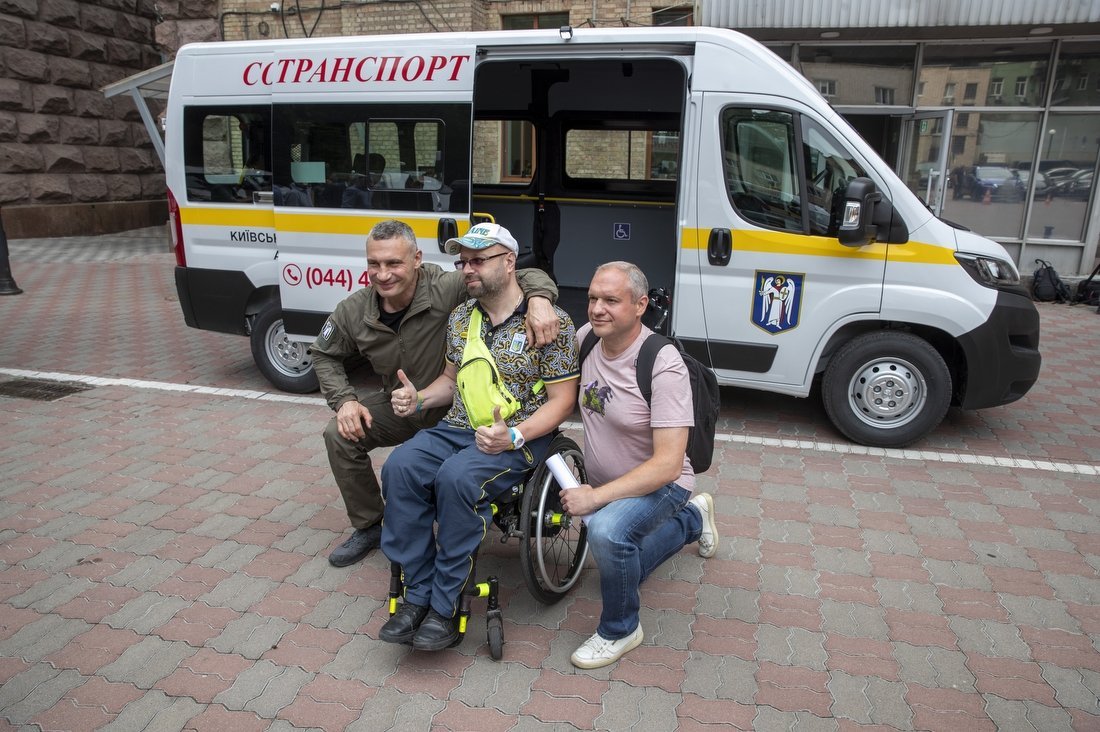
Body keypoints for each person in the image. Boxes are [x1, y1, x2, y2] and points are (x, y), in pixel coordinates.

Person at [310, 220, 561, 567]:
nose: (383, 274)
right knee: (339, 434)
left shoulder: (447, 286)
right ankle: (370, 526)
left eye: (393, 263)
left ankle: (447, 524)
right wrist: (345, 401)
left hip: (455, 407)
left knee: (450, 470)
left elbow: (515, 274)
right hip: (405, 405)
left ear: (416, 259)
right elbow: (323, 354)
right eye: (374, 264)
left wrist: (540, 299)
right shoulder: (353, 310)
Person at [378, 222, 579, 651]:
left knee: (457, 479)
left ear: (509, 262)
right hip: (458, 427)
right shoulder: (461, 317)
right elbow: (451, 381)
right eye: (463, 262)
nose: (468, 269)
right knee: (400, 467)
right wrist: (419, 398)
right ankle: (418, 592)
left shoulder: (551, 322)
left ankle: (446, 607)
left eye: (478, 260)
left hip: (520, 435)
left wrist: (515, 435)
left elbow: (563, 402)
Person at [559, 261, 719, 669]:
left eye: (611, 300)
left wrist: (596, 498)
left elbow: (667, 465)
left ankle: (620, 629)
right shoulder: (586, 339)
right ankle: (694, 520)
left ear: (640, 305)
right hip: (612, 485)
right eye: (593, 298)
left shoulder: (662, 364)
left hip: (662, 485)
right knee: (625, 563)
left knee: (608, 534)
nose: (597, 309)